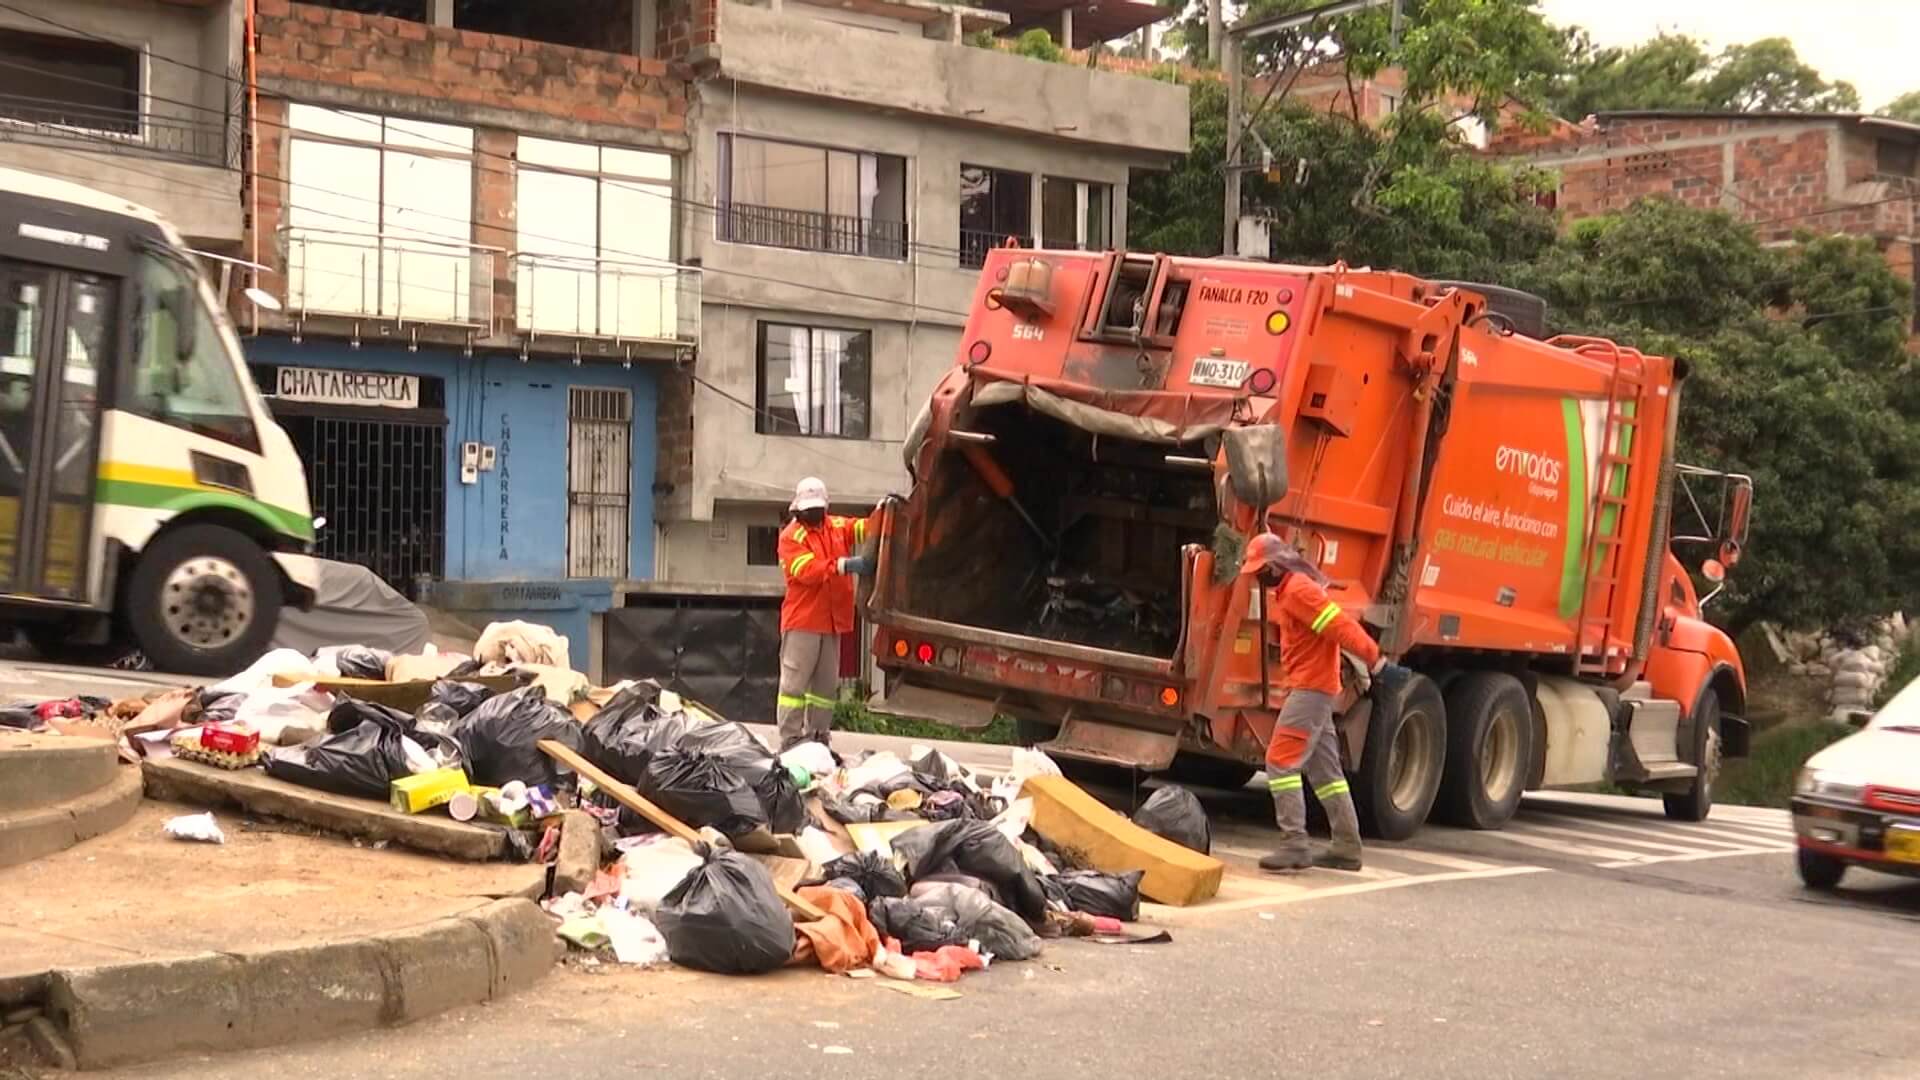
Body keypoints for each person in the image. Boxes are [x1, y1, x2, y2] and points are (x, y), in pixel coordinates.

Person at [1240, 531, 1407, 872]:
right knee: (1325, 771)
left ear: (1275, 565)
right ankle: (1346, 847)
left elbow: (1340, 627)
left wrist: (1375, 660)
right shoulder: (1292, 590)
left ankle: (1294, 844)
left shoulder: (1299, 590)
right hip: (1315, 688)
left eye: (1261, 569)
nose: (1258, 576)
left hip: (1311, 689)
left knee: (1280, 762)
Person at [775, 476, 877, 750]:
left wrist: (886, 512)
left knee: (824, 689)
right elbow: (807, 571)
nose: (813, 515)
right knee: (794, 688)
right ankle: (790, 741)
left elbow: (865, 528)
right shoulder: (791, 537)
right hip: (804, 622)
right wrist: (845, 565)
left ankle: (819, 738)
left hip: (832, 622)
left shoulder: (836, 526)